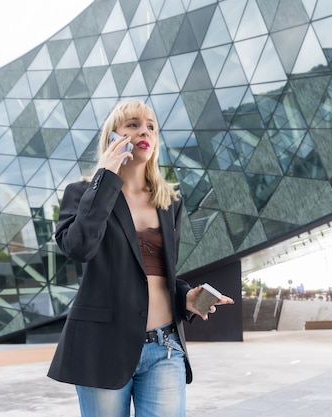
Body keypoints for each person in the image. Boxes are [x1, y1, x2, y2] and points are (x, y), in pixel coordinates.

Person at [47, 100, 234, 417]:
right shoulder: (81, 193)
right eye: (132, 124)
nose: (144, 131)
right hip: (103, 346)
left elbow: (154, 272)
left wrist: (186, 296)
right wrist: (107, 175)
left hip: (165, 346)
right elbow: (79, 248)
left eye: (150, 126)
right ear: (112, 137)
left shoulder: (169, 201)